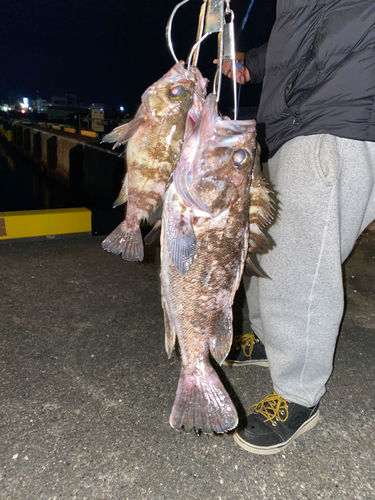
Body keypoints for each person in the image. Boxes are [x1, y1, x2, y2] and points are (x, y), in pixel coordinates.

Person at [222, 0, 375, 455]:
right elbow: (303, 25)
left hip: (342, 112)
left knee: (301, 261)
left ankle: (299, 395)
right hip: (289, 118)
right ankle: (271, 339)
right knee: (268, 243)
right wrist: (251, 61)